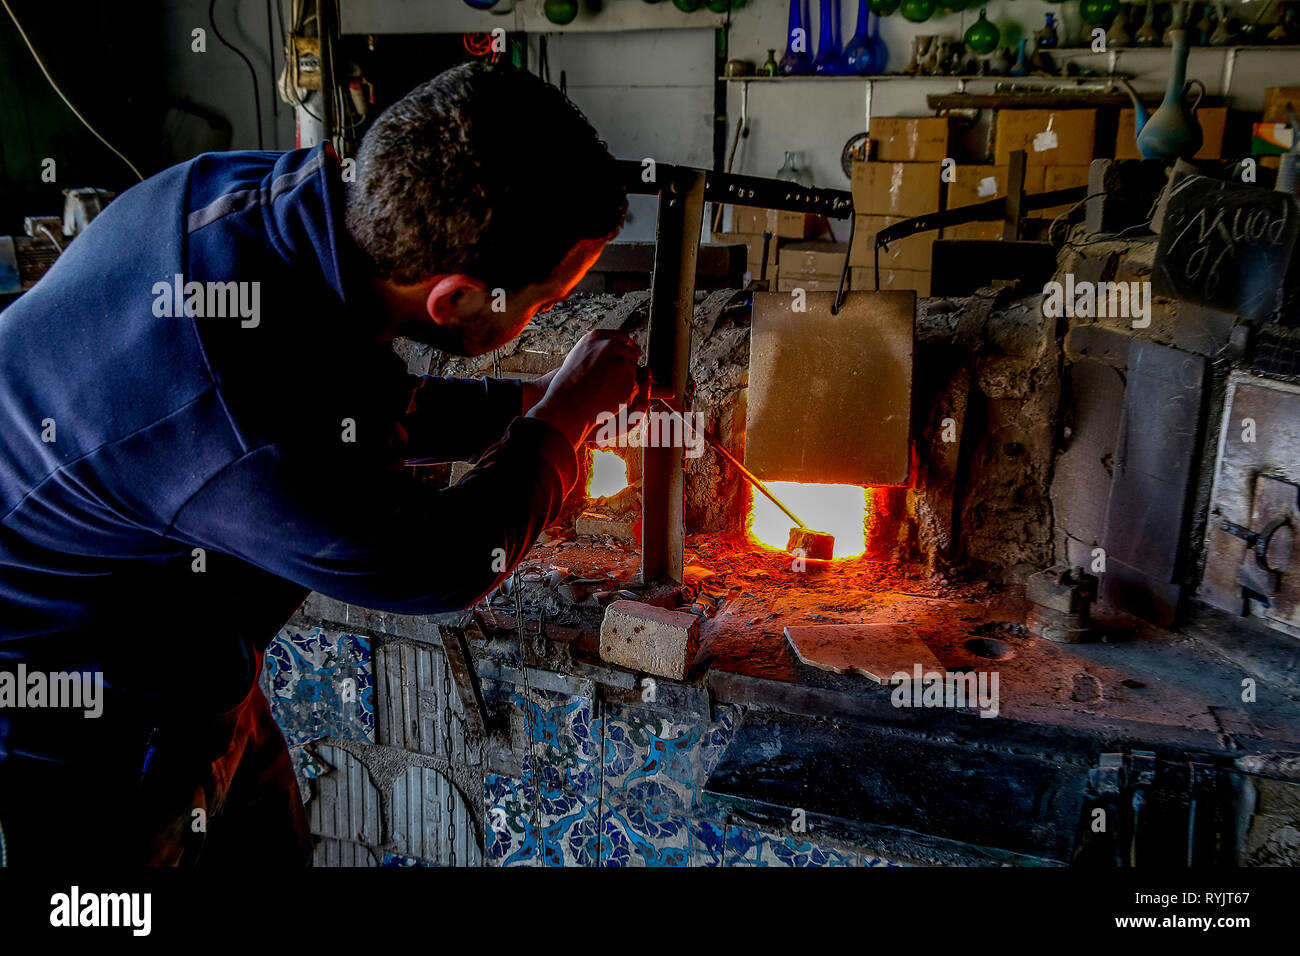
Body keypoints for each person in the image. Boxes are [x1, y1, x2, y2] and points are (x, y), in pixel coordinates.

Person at [0, 62, 639, 864]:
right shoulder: (242, 404)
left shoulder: (284, 204)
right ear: (452, 300)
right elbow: (432, 564)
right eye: (543, 302)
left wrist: (527, 401)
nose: (545, 313)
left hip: (191, 661)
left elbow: (350, 410)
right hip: (86, 743)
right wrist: (559, 424)